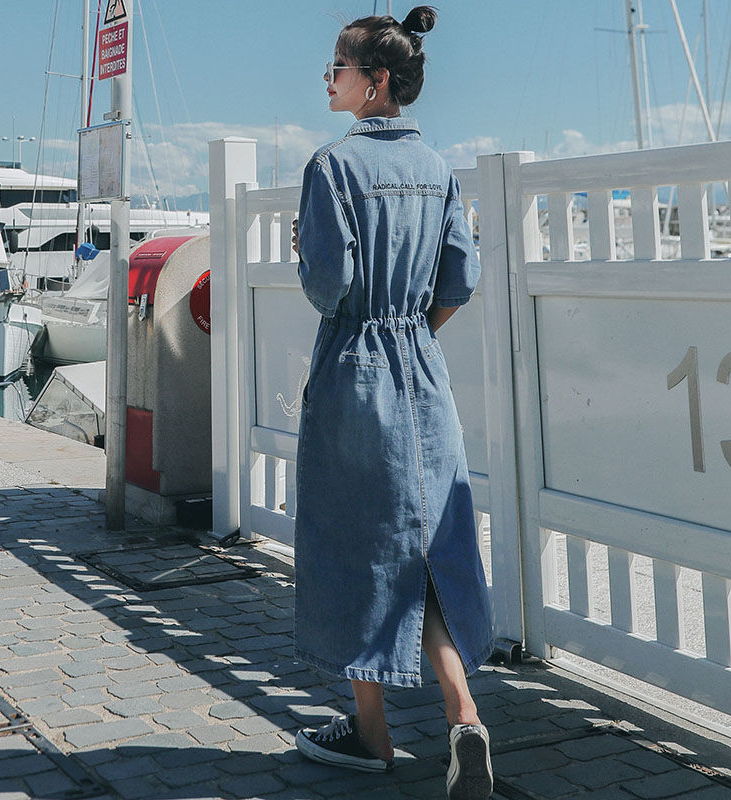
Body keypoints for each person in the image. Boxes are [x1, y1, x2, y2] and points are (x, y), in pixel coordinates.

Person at [290, 7, 494, 799]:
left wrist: (313, 256)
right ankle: (464, 715)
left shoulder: (332, 167)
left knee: (357, 544)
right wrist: (412, 331)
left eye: (337, 68)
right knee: (426, 549)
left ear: (374, 82)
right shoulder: (437, 168)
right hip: (420, 366)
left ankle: (372, 733)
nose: (328, 79)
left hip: (356, 371)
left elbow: (328, 285)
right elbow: (460, 281)